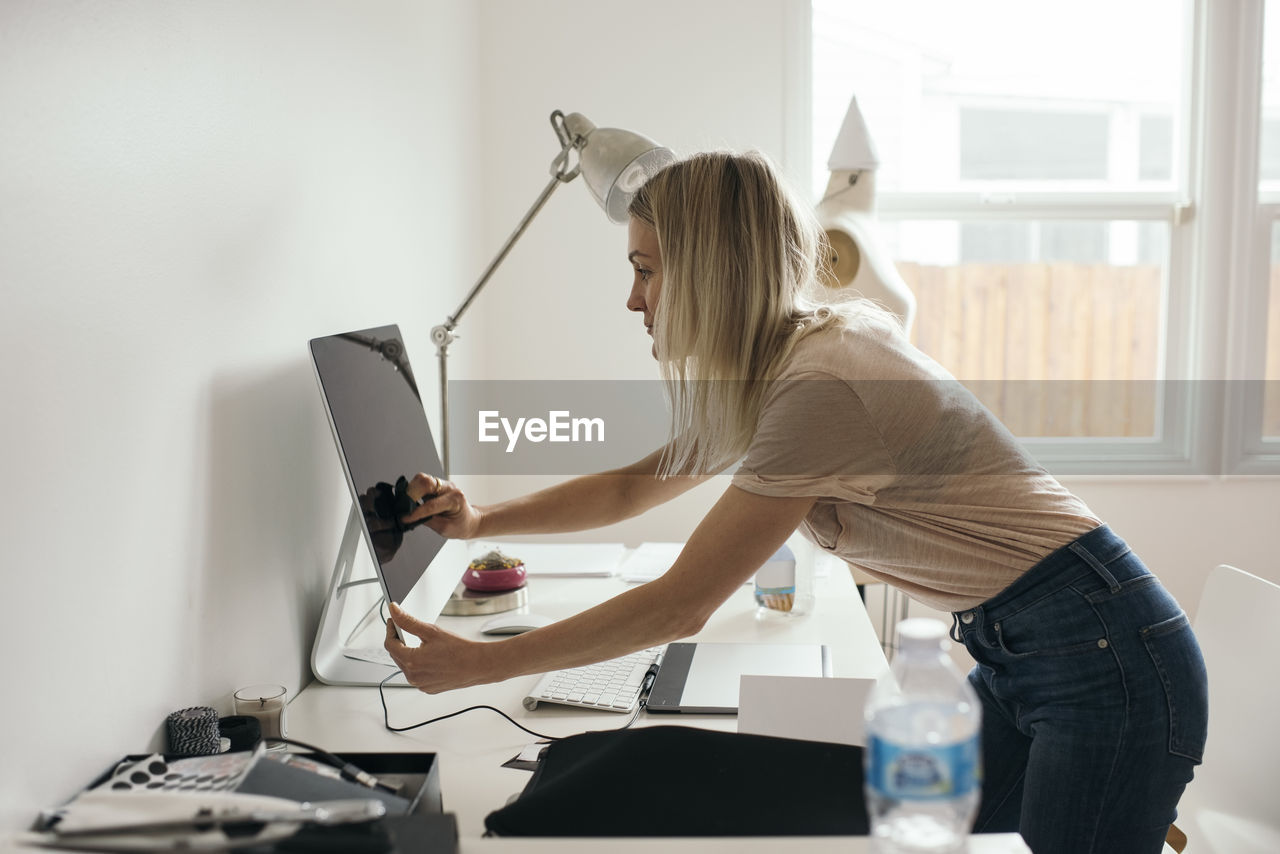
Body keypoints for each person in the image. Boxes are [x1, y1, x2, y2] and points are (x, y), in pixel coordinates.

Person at [384, 150, 1207, 854]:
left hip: (1102, 656)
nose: (634, 300)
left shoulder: (820, 385)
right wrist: (482, 522)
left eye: (645, 269)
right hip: (1043, 649)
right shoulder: (785, 363)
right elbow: (641, 482)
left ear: (711, 271)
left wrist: (481, 664)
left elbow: (682, 604)